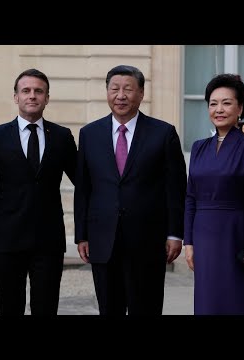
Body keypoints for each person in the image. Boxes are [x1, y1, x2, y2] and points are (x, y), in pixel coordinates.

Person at [74, 65, 187, 315]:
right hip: (103, 240)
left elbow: (176, 188)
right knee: (109, 308)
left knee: (146, 307)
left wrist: (175, 234)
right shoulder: (89, 134)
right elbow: (83, 188)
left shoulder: (163, 133)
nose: (120, 95)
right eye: (114, 89)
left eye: (128, 89)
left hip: (148, 240)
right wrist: (81, 234)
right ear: (107, 92)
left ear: (141, 93)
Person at [0, 68, 77, 315]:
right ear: (16, 97)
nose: (32, 96)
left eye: (38, 91)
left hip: (49, 241)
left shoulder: (63, 137)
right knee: (9, 308)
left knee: (46, 309)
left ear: (46, 97)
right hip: (6, 240)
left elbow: (84, 183)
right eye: (26, 91)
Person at [184, 73, 244, 315]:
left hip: (237, 234)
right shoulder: (198, 147)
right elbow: (190, 196)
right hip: (203, 236)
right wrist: (188, 241)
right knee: (209, 302)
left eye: (226, 103)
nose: (219, 109)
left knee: (240, 301)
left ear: (240, 108)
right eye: (213, 104)